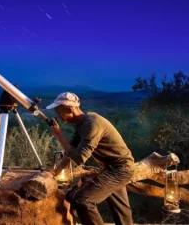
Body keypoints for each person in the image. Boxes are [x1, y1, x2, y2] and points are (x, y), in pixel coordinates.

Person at [46, 92, 135, 225]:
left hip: (120, 170)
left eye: (60, 112)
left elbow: (80, 159)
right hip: (112, 169)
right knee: (121, 212)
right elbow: (70, 150)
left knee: (82, 200)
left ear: (70, 109)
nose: (59, 116)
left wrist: (59, 135)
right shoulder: (82, 123)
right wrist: (56, 172)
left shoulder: (92, 124)